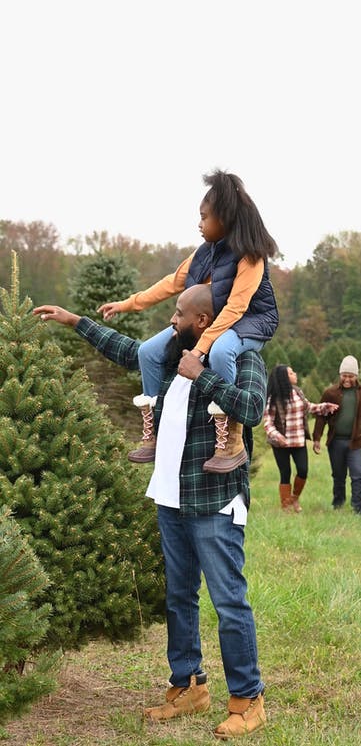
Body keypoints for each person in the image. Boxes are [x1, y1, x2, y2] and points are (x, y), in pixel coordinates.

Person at [33, 283, 267, 739]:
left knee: (228, 602)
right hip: (171, 499)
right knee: (179, 597)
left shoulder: (239, 357)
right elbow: (129, 351)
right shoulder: (172, 355)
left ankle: (247, 699)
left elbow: (253, 408)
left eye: (178, 313)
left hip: (214, 501)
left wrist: (204, 375)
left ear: (202, 320)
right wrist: (75, 320)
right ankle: (189, 686)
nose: (171, 320)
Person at [97, 169, 279, 473]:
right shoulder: (203, 254)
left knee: (221, 351)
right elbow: (172, 282)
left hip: (251, 321)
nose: (199, 223)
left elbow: (236, 309)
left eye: (205, 217)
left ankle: (230, 438)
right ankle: (153, 432)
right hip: (217, 321)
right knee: (147, 352)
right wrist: (128, 304)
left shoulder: (250, 256)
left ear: (225, 219)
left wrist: (199, 350)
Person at [312, 355, 361, 516]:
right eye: (344, 375)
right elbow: (321, 417)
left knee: (358, 474)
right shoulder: (330, 393)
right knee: (338, 475)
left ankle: (357, 508)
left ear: (356, 376)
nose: (347, 379)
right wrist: (317, 438)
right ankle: (338, 503)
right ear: (340, 375)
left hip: (358, 443)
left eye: (350, 376)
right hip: (336, 442)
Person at [263, 365, 338, 513]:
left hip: (298, 440)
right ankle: (286, 506)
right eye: (291, 373)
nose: (295, 374)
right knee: (285, 473)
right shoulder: (274, 398)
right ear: (284, 377)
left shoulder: (297, 392)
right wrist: (278, 436)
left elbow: (308, 407)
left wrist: (324, 407)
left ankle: (294, 498)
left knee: (303, 470)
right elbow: (267, 422)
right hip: (281, 444)